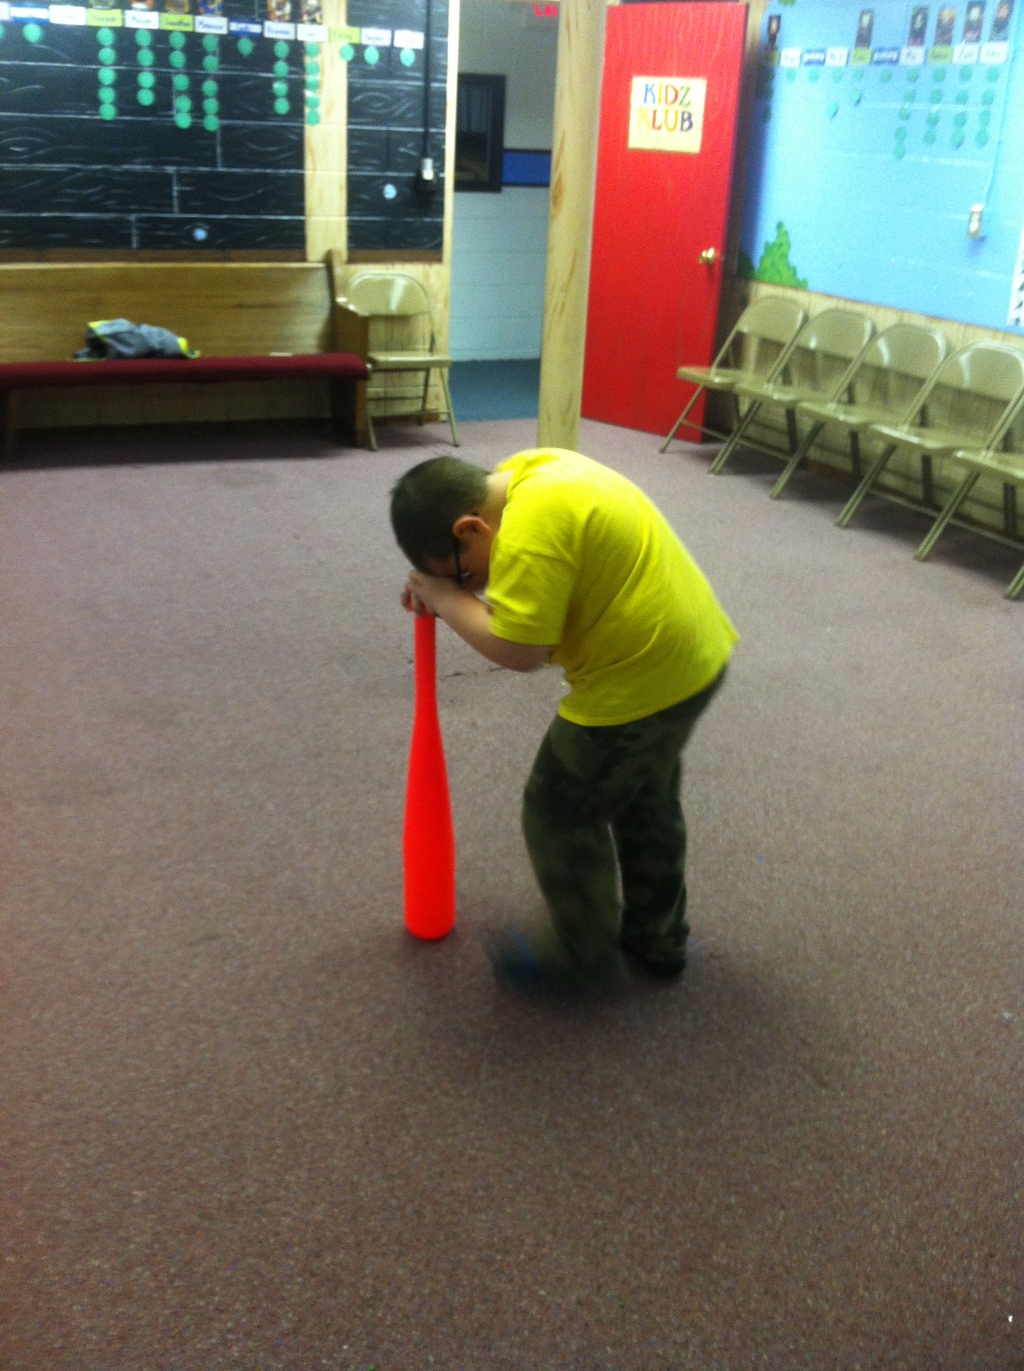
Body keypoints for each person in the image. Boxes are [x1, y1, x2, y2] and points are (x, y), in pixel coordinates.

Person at [390, 448, 738, 997]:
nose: (474, 589)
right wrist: (447, 587)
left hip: (639, 679)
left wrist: (445, 597)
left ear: (470, 528)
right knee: (644, 794)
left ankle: (583, 953)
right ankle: (657, 936)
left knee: (558, 808)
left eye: (466, 575)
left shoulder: (527, 533)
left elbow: (520, 649)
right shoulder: (530, 472)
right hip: (694, 657)